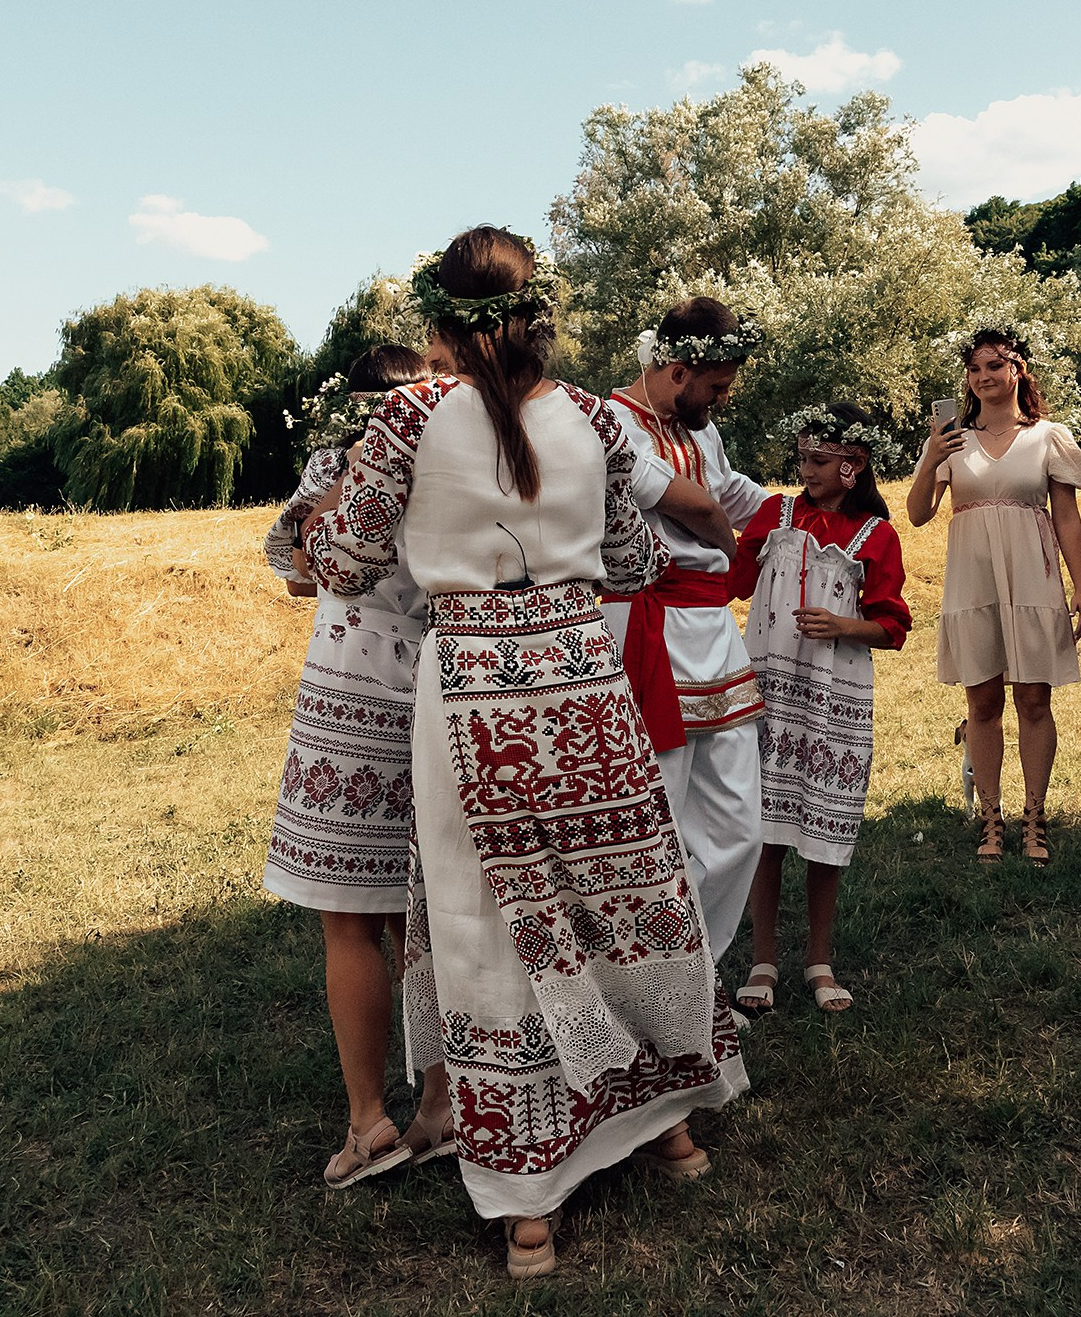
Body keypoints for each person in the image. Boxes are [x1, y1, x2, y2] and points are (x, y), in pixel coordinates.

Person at [302, 228, 745, 1280]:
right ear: (537, 312)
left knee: (488, 922)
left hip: (472, 687)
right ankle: (669, 1126)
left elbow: (347, 564)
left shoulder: (409, 417)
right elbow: (633, 557)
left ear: (442, 321)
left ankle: (529, 1204)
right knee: (623, 892)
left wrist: (311, 518)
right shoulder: (593, 414)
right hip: (584, 677)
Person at [262, 346, 453, 1188]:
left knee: (348, 916)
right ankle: (442, 1104)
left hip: (348, 689)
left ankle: (370, 1121)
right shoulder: (451, 467)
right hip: (435, 685)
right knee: (424, 908)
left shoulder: (336, 470)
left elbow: (304, 576)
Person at [600, 299, 771, 958]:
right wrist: (736, 548)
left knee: (738, 824)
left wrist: (803, 516)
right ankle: (650, 969)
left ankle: (695, 966)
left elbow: (726, 491)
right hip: (649, 626)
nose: (723, 399)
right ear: (677, 371)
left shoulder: (701, 428)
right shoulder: (612, 423)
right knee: (657, 811)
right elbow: (696, 508)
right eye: (717, 386)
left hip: (714, 629)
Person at [727, 403, 910, 1016]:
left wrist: (842, 624)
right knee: (765, 828)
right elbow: (730, 581)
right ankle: (763, 958)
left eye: (820, 460)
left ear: (853, 465)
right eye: (802, 456)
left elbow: (892, 626)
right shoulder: (774, 515)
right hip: (768, 688)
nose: (806, 469)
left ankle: (819, 959)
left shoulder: (875, 536)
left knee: (825, 828)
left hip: (833, 692)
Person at [907, 328, 1081, 861]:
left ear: (1017, 370)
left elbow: (1067, 517)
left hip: (1033, 577)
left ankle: (1035, 817)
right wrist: (930, 458)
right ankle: (992, 818)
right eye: (974, 369)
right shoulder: (951, 441)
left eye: (995, 365)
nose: (984, 376)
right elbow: (918, 514)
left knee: (1034, 699)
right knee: (982, 701)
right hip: (973, 581)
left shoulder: (1049, 437)